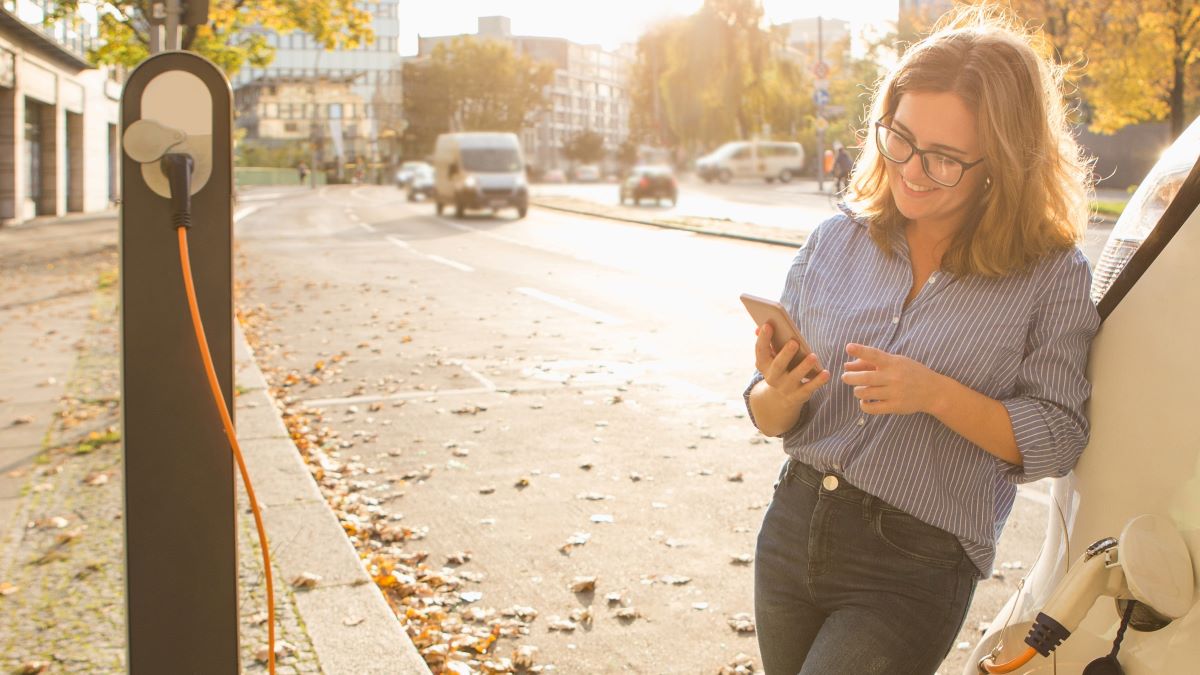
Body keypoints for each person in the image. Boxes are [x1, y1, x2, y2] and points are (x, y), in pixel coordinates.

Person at [745, 6, 1099, 674]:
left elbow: (1059, 435)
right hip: (792, 530)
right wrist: (778, 392)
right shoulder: (835, 240)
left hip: (913, 566)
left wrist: (935, 394)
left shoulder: (1050, 275)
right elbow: (769, 416)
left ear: (1004, 160)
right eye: (899, 138)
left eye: (942, 158)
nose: (909, 168)